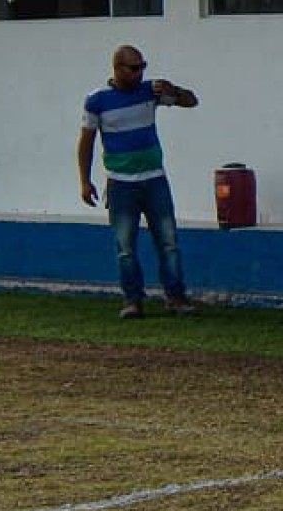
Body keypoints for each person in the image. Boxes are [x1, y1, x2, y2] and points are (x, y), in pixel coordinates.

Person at [77, 46, 201, 318]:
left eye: (142, 66)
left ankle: (176, 297)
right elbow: (87, 142)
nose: (139, 72)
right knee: (125, 246)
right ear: (117, 68)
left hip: (154, 179)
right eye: (134, 68)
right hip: (121, 183)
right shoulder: (97, 100)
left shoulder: (150, 92)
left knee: (168, 241)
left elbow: (192, 101)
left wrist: (174, 90)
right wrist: (85, 181)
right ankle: (132, 300)